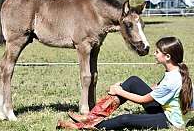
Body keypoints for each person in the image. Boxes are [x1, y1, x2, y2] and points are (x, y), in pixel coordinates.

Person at [56, 36, 193, 130]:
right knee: (133, 81)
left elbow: (142, 99)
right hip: (163, 108)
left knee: (124, 119)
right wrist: (125, 87)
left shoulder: (172, 80)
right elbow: (157, 88)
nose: (154, 54)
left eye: (157, 52)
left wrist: (120, 91)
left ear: (167, 57)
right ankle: (90, 117)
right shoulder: (176, 71)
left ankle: (83, 127)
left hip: (170, 120)